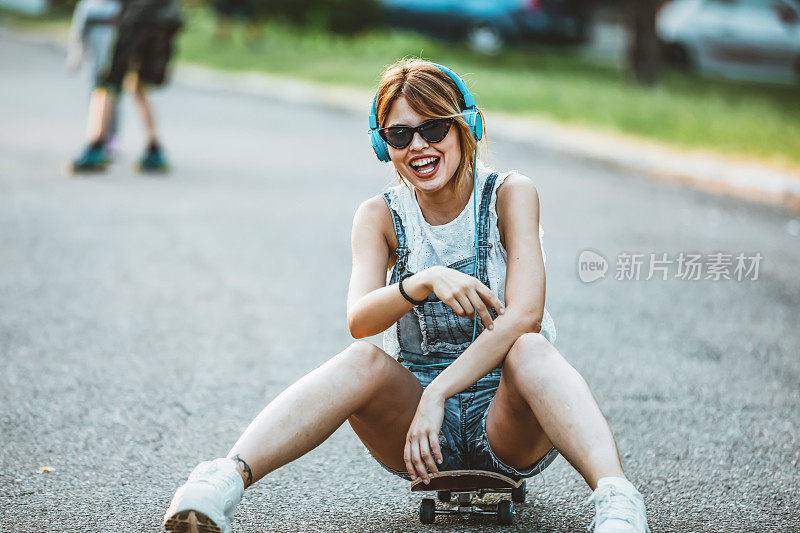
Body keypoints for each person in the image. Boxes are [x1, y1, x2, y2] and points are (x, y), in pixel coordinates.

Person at [162, 59, 650, 533]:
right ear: (383, 145)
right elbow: (360, 320)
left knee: (530, 346)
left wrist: (440, 392)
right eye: (399, 135)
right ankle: (220, 482)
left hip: (508, 420)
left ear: (466, 127)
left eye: (434, 128)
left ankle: (617, 502)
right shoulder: (378, 215)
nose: (418, 146)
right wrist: (421, 281)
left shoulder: (510, 194)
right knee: (360, 360)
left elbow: (524, 315)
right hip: (417, 428)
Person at [67, 0, 183, 174]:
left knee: (106, 83)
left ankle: (95, 147)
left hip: (133, 19)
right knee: (137, 84)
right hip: (161, 19)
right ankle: (154, 149)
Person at [66, 0, 123, 150]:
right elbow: (78, 34)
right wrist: (75, 58)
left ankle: (111, 135)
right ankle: (95, 134)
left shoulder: (118, 6)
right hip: (93, 62)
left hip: (113, 63)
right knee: (93, 96)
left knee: (113, 99)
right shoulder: (87, 6)